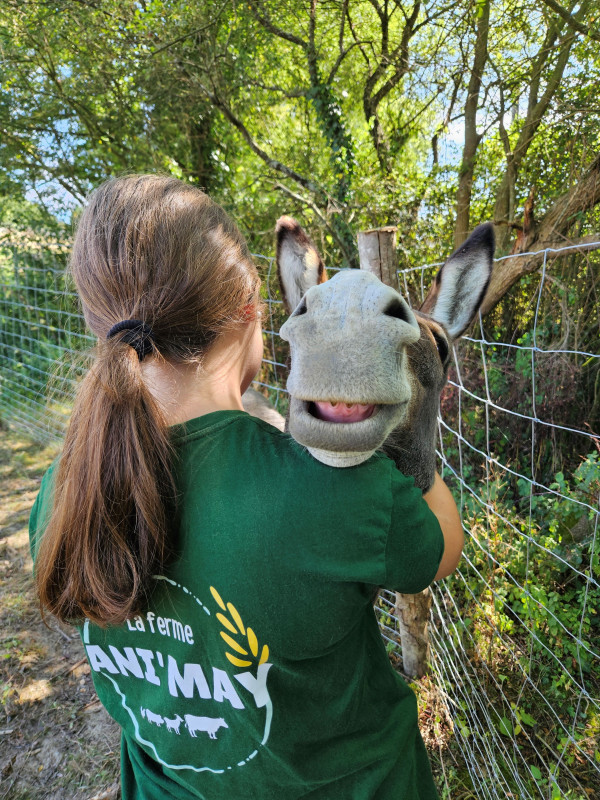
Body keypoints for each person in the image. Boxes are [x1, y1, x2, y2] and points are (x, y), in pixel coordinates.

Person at [29, 174, 464, 800]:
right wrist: (411, 425)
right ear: (251, 310)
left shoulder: (63, 495)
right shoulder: (335, 488)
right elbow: (439, 550)